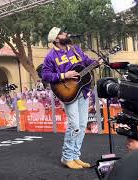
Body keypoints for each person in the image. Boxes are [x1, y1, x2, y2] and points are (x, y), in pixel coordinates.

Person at [42, 27, 96, 169]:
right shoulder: (51, 56)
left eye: (64, 32)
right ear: (56, 39)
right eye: (61, 33)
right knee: (74, 125)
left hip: (82, 91)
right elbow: (45, 75)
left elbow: (86, 61)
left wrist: (97, 62)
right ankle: (67, 157)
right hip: (67, 93)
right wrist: (64, 75)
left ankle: (75, 156)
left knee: (83, 125)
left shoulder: (76, 49)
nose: (65, 34)